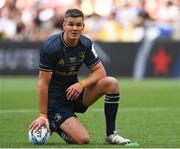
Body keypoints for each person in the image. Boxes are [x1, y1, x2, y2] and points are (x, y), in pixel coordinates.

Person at [29, 8, 132, 145]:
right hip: (56, 102)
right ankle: (54, 123)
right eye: (71, 24)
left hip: (75, 93)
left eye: (78, 25)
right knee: (83, 139)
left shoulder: (86, 44)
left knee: (111, 83)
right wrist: (43, 115)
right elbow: (43, 83)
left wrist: (81, 84)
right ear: (64, 26)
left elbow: (100, 72)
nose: (74, 28)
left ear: (83, 27)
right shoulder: (51, 47)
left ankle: (111, 134)